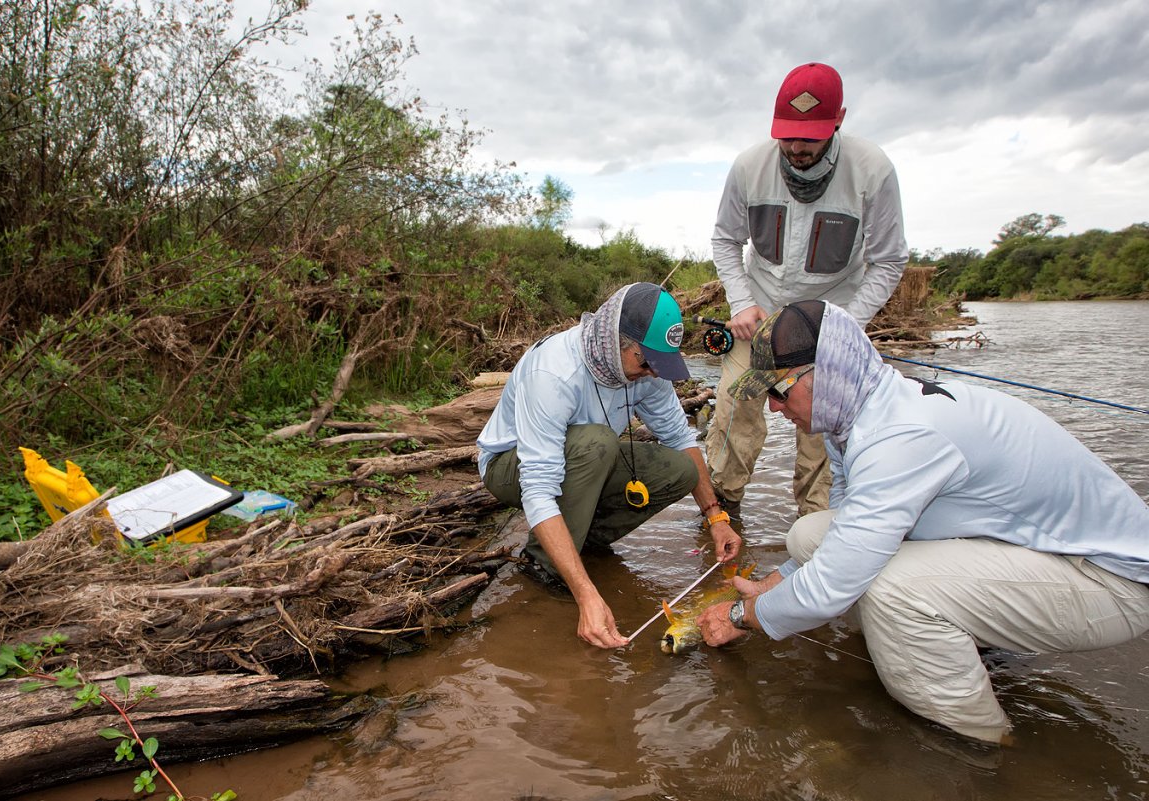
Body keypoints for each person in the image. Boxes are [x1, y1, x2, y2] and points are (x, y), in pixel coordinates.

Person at [697, 299, 1149, 743]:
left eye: (779, 391)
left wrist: (744, 614)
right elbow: (845, 531)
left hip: (1112, 581)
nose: (774, 408)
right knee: (809, 534)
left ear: (826, 376)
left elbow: (835, 583)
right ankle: (955, 643)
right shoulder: (860, 413)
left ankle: (974, 739)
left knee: (894, 590)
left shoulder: (899, 437)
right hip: (1037, 549)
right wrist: (779, 582)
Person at [478, 282, 742, 649]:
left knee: (680, 470)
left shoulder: (644, 369)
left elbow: (681, 438)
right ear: (616, 341)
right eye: (646, 361)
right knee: (598, 442)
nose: (653, 372)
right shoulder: (554, 375)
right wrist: (586, 593)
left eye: (660, 363)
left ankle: (582, 538)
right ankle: (543, 564)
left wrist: (716, 517)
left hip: (584, 460)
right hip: (511, 467)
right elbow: (538, 488)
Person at [704, 62, 908, 518]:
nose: (796, 147)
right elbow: (725, 240)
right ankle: (723, 511)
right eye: (787, 136)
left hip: (830, 320)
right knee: (736, 408)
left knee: (821, 434)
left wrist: (846, 327)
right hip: (759, 316)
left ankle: (818, 527)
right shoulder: (748, 167)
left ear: (838, 121)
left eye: (809, 137)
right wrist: (741, 303)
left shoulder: (873, 171)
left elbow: (890, 260)